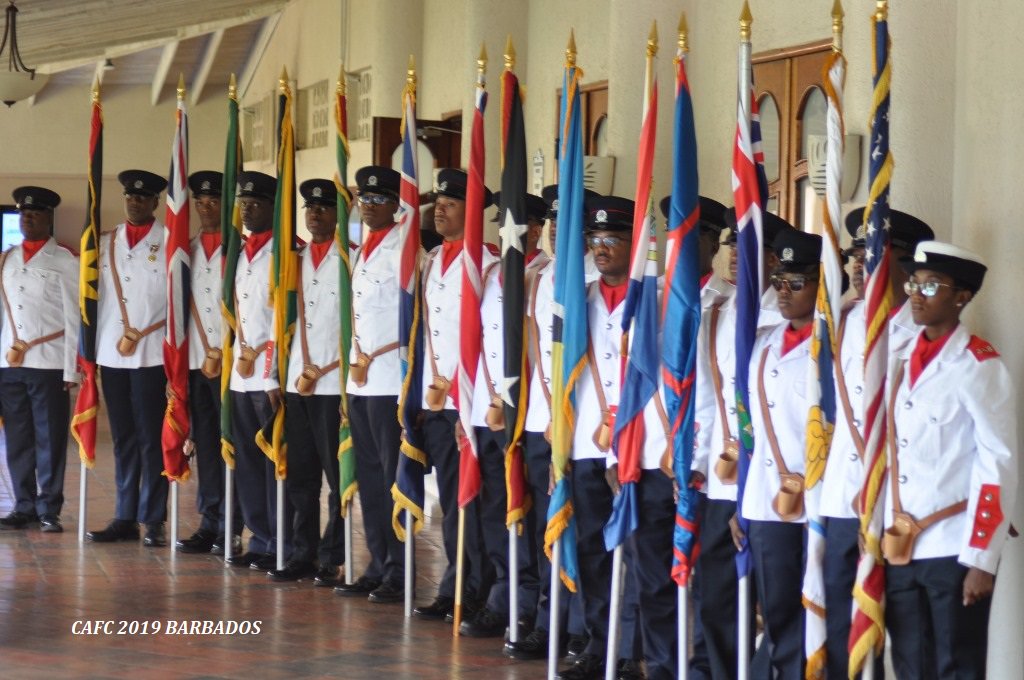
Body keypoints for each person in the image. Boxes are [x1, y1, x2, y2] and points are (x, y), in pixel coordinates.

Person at [883, 241, 1016, 679]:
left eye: (932, 285)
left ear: (962, 297)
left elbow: (997, 463)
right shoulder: (901, 361)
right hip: (903, 545)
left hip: (954, 548)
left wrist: (981, 557)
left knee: (955, 665)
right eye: (914, 283)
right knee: (910, 663)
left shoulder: (978, 365)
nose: (917, 294)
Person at [819, 207, 932, 679]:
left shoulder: (924, 332)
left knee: (907, 626)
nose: (859, 267)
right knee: (843, 622)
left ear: (906, 268)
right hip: (844, 494)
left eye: (874, 257)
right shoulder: (842, 320)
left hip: (897, 504)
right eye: (854, 256)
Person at [691, 210, 790, 680]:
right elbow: (709, 399)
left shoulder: (783, 316)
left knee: (773, 598)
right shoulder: (718, 312)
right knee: (715, 591)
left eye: (746, 248)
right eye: (731, 246)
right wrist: (696, 461)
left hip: (771, 482)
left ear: (774, 259)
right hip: (724, 476)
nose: (733, 256)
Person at [556, 195, 645, 680]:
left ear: (634, 244)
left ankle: (629, 650)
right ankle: (597, 644)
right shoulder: (580, 300)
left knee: (632, 551)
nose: (602, 247)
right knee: (591, 547)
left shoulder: (650, 297)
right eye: (596, 239)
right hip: (588, 440)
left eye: (613, 239)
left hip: (636, 446)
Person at [457, 191, 547, 639]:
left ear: (535, 229)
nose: (504, 232)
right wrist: (465, 405)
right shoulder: (490, 273)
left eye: (515, 224)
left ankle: (530, 602)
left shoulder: (544, 274)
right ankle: (502, 592)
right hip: (486, 407)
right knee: (495, 504)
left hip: (527, 412)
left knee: (528, 508)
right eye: (500, 223)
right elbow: (473, 343)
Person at [735, 226, 823, 678]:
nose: (784, 292)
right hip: (771, 497)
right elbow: (752, 428)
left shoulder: (835, 348)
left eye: (797, 283)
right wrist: (742, 504)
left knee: (819, 612)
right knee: (779, 610)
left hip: (821, 500)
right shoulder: (765, 344)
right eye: (779, 281)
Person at [505, 184, 588, 661]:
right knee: (545, 529)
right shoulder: (541, 278)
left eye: (565, 223)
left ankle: (581, 627)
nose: (556, 231)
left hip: (583, 429)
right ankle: (547, 620)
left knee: (584, 531)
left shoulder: (596, 280)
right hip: (542, 421)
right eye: (552, 223)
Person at [412, 168, 497, 622]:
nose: (439, 207)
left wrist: (470, 400)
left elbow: (490, 340)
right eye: (439, 200)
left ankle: (482, 590)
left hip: (474, 403)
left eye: (451, 201)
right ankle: (456, 583)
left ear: (476, 210)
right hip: (440, 398)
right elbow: (430, 332)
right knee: (450, 495)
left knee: (479, 499)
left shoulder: (488, 263)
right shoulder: (432, 260)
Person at [267, 178, 346, 583]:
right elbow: (278, 322)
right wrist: (274, 374)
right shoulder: (292, 260)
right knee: (301, 475)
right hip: (297, 381)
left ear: (338, 214)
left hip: (333, 384)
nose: (315, 214)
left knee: (336, 475)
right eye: (309, 209)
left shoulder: (349, 259)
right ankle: (303, 552)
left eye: (324, 208)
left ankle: (332, 555)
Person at [334, 166, 407, 600]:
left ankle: (399, 569)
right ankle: (378, 562)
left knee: (392, 481)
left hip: (388, 380)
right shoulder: (362, 248)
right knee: (369, 476)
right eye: (364, 199)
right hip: (360, 380)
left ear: (396, 204)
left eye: (379, 200)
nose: (369, 206)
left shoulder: (404, 247)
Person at [87, 170, 170, 547]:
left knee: (152, 437)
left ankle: (152, 517)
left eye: (143, 197)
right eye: (129, 197)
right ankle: (125, 514)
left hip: (152, 353)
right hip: (112, 352)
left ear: (155, 203)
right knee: (123, 437)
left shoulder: (170, 243)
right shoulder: (104, 243)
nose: (135, 202)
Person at [224, 170, 291, 571]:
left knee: (273, 459)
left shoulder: (286, 254)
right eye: (243, 204)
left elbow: (284, 323)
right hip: (240, 372)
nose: (247, 211)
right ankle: (260, 535)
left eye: (255, 204)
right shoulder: (242, 252)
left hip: (267, 371)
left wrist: (273, 376)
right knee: (248, 460)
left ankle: (281, 537)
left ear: (271, 207)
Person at [0, 186, 78, 533]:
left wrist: (73, 367)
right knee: (17, 437)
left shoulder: (64, 260)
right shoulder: (7, 259)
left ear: (49, 218)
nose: (27, 219)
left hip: (49, 362)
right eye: (23, 214)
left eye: (35, 213)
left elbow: (75, 318)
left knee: (50, 437)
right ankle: (24, 504)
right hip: (10, 362)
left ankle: (49, 507)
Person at [176, 171, 241, 556]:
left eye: (212, 201)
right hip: (197, 363)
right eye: (199, 202)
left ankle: (233, 524)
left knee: (230, 443)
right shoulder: (187, 250)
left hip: (233, 365)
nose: (205, 208)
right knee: (202, 440)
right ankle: (210, 519)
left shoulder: (240, 249)